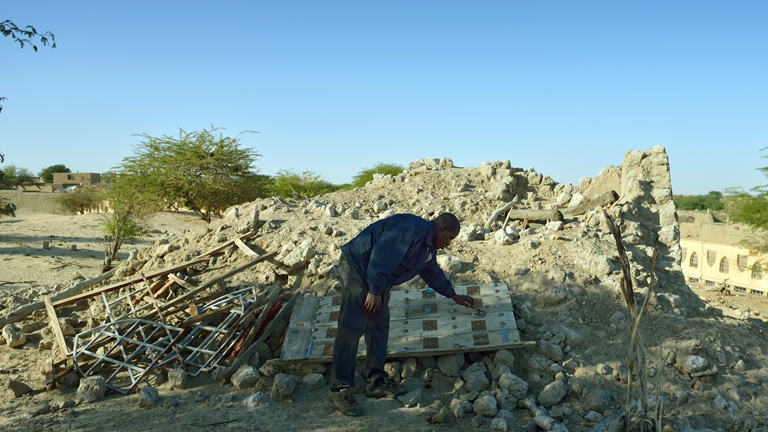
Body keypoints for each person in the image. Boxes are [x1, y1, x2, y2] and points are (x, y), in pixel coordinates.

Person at [329, 212, 475, 416]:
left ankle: (376, 383)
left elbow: (433, 273)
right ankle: (340, 388)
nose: (448, 245)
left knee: (379, 326)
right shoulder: (411, 227)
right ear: (442, 228)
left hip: (377, 278)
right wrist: (374, 290)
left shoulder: (427, 248)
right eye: (450, 238)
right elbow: (381, 255)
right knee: (352, 327)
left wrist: (454, 295)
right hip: (359, 267)